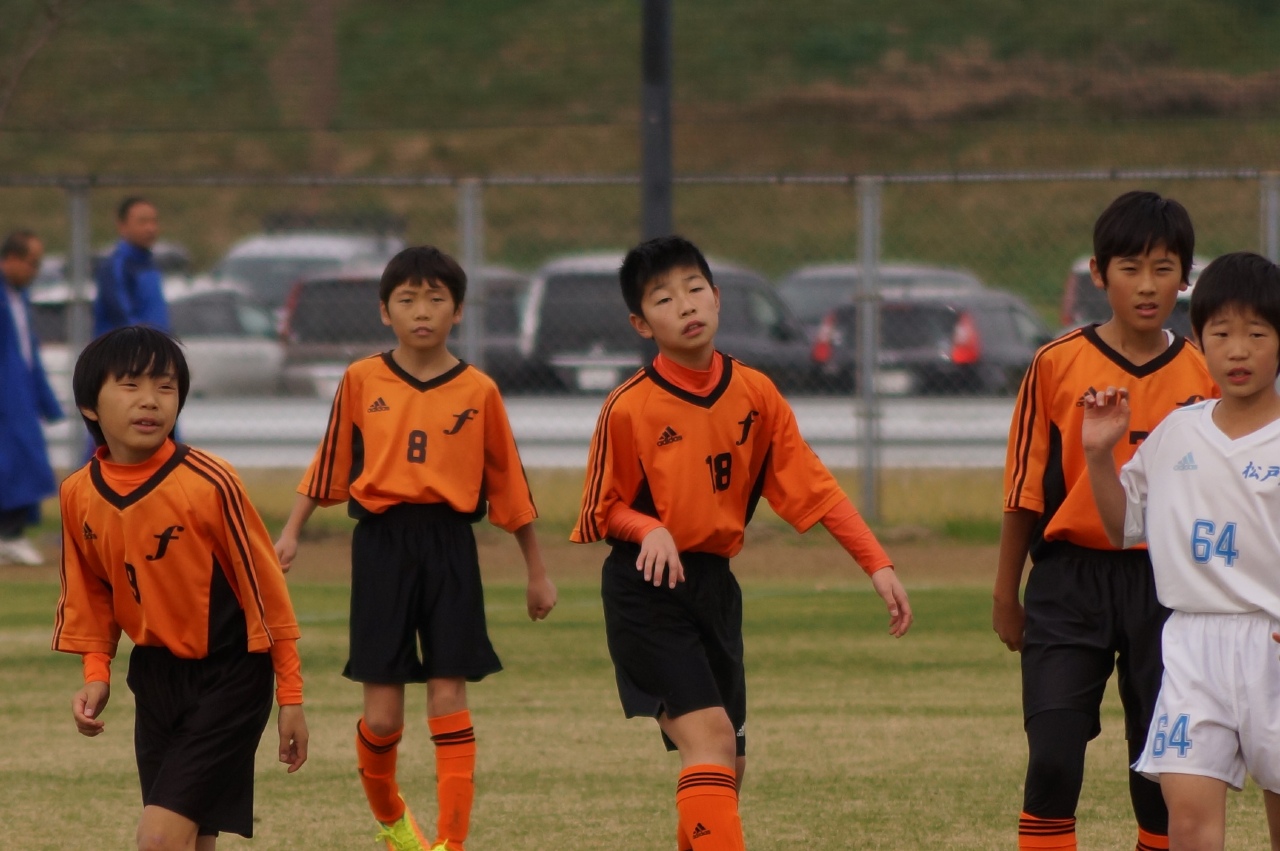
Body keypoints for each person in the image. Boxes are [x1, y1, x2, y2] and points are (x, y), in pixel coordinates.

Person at [571, 235, 912, 851]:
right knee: (711, 742)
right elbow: (600, 510)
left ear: (718, 297)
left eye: (695, 289)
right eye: (663, 299)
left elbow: (815, 486)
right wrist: (648, 528)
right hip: (646, 592)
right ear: (641, 323)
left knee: (730, 764)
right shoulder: (628, 407)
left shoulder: (755, 393)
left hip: (714, 589)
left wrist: (877, 563)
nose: (685, 305)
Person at [274, 245, 557, 851]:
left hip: (451, 546)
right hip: (381, 546)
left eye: (436, 299)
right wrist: (292, 530)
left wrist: (537, 571)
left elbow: (509, 484)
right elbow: (329, 461)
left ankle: (451, 843)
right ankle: (394, 823)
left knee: (448, 696)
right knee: (382, 717)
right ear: (385, 311)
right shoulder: (361, 379)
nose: (422, 311)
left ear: (458, 310)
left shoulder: (479, 390)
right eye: (407, 300)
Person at [993, 190, 1220, 851]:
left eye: (1163, 268)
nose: (1147, 285)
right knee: (1053, 758)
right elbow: (1023, 491)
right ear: (1098, 273)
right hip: (1069, 582)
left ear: (1185, 277)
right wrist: (1006, 593)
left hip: (1168, 585)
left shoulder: (1203, 374)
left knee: (1159, 774)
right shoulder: (1055, 363)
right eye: (1130, 268)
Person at [52, 325, 308, 850]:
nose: (150, 400)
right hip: (155, 678)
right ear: (89, 406)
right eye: (130, 385)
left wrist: (291, 695)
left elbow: (265, 593)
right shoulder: (77, 494)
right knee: (193, 840)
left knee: (159, 839)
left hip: (230, 676)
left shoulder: (210, 482)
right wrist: (96, 673)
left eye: (166, 387)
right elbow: (90, 594)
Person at [1082, 251, 1280, 851]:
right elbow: (1123, 528)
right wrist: (1098, 455)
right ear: (1198, 339)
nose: (1238, 351)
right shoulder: (1178, 431)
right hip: (1192, 645)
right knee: (1188, 824)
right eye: (1221, 334)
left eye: (1257, 334)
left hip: (1273, 643)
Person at [0, 229, 62, 565]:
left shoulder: (19, 299)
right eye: (30, 262)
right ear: (9, 259)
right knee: (13, 463)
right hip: (7, 395)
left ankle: (13, 533)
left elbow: (28, 351)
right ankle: (9, 536)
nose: (34, 271)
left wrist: (44, 398)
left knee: (27, 462)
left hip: (20, 392)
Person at [93, 196, 168, 336]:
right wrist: (146, 343)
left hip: (154, 346)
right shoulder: (116, 267)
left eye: (154, 221)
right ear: (122, 226)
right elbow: (123, 318)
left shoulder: (151, 263)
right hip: (127, 347)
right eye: (142, 222)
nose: (150, 228)